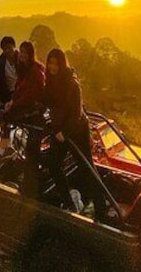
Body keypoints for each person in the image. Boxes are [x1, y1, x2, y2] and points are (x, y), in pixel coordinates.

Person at [43, 48, 107, 219]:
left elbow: (77, 114)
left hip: (76, 130)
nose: (52, 66)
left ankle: (101, 208)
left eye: (56, 63)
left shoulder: (72, 84)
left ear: (62, 64)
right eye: (50, 63)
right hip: (59, 130)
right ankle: (68, 202)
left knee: (86, 167)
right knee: (53, 164)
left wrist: (65, 132)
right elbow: (48, 104)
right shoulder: (50, 81)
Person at [0, 40, 45, 171]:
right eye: (22, 51)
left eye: (25, 52)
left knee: (6, 116)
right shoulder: (22, 67)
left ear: (30, 53)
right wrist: (11, 101)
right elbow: (18, 87)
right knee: (5, 116)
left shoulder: (36, 71)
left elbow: (31, 95)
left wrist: (15, 103)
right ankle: (3, 150)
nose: (22, 54)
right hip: (20, 101)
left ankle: (3, 152)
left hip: (32, 106)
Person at [0, 36, 18, 161]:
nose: (8, 50)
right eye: (5, 48)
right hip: (7, 96)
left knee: (12, 121)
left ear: (13, 46)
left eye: (9, 47)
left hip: (21, 94)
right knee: (5, 122)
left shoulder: (21, 59)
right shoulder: (0, 63)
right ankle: (3, 151)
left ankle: (8, 149)